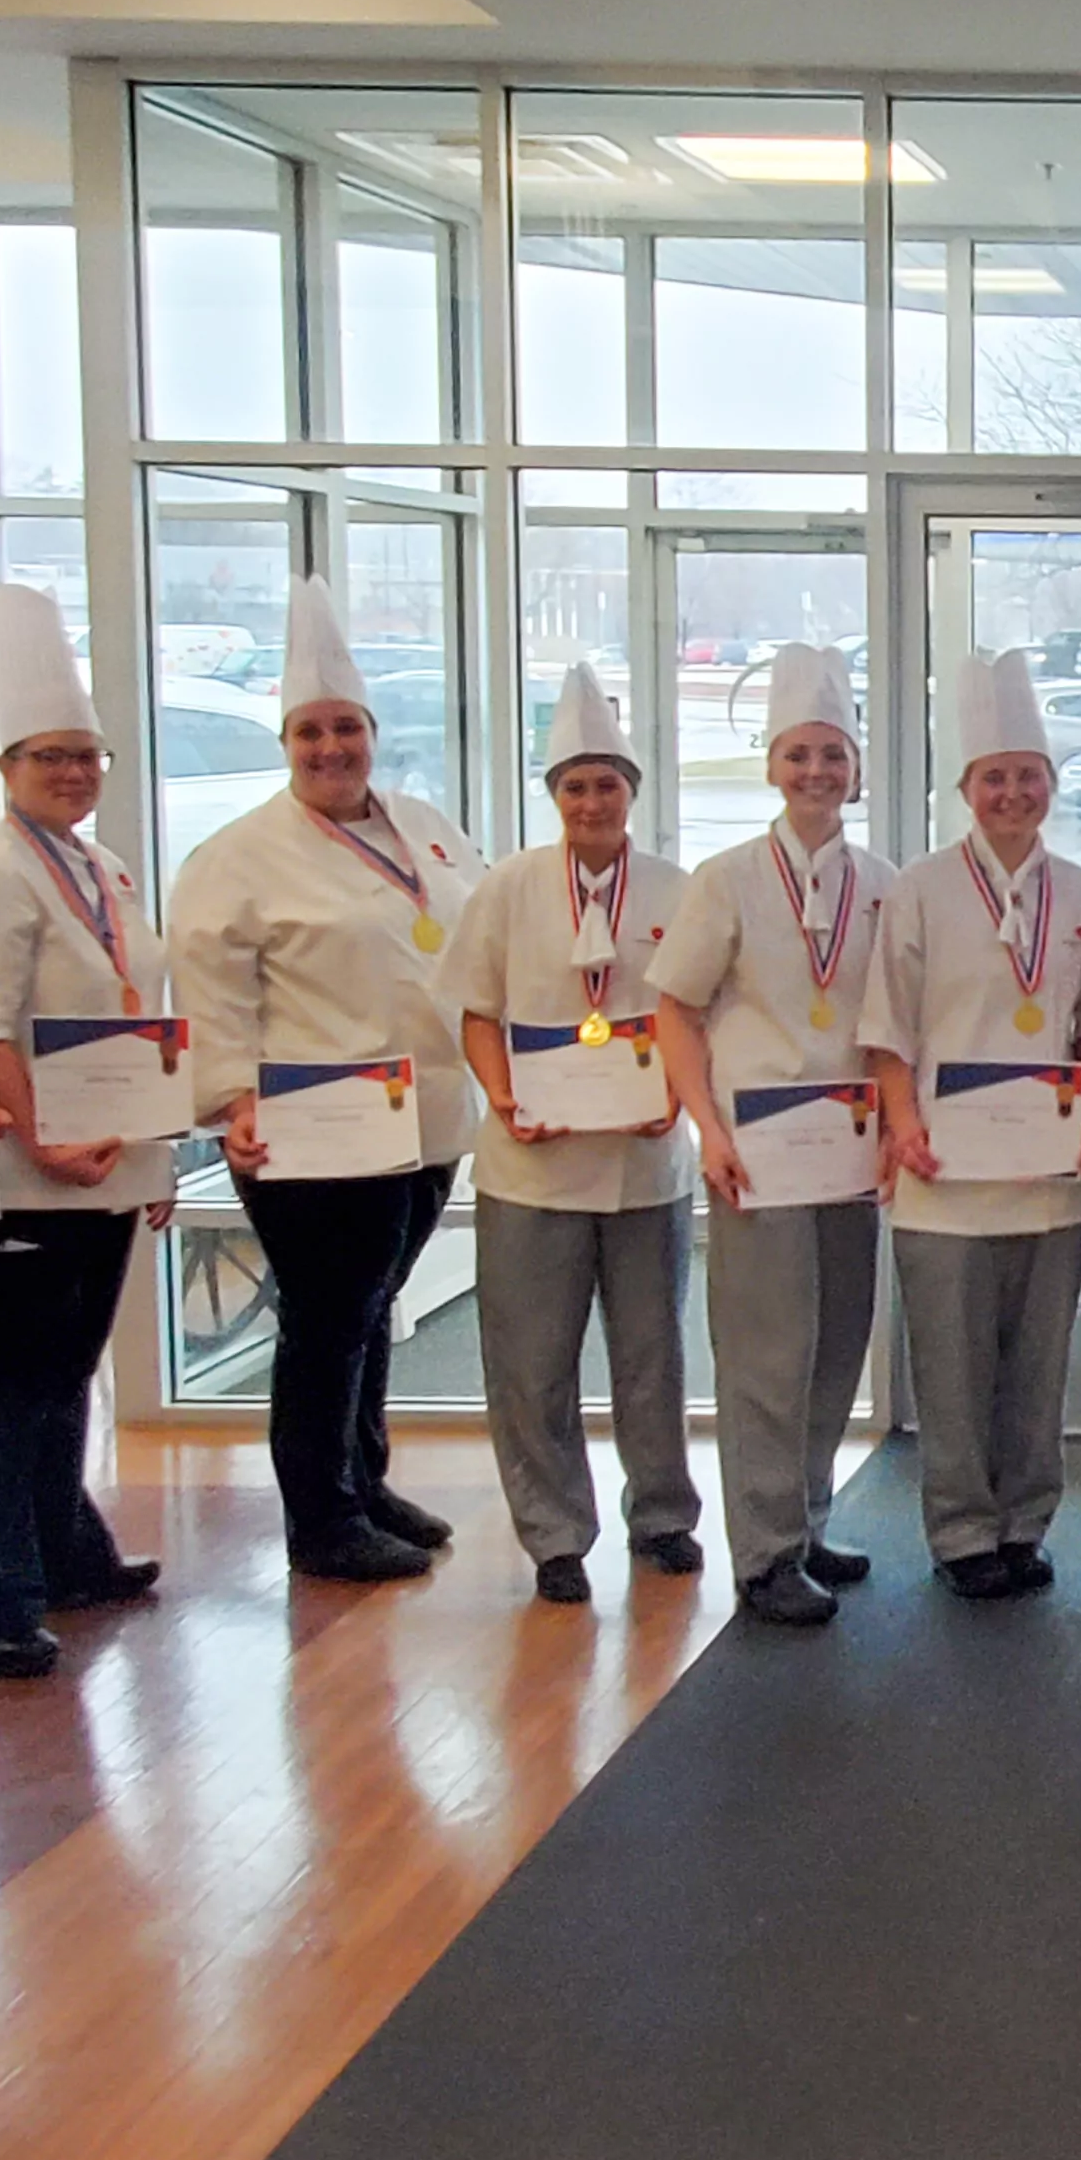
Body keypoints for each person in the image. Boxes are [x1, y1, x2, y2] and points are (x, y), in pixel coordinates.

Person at [168, 577, 487, 1584]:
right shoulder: (238, 857)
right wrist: (231, 1103)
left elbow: (472, 940)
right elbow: (211, 992)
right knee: (325, 1320)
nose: (330, 749)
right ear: (286, 743)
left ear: (371, 732)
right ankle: (321, 1516)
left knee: (373, 1304)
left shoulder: (426, 824)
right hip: (312, 1129)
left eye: (345, 729)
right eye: (310, 733)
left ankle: (366, 1475)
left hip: (423, 1118)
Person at [0, 584, 168, 1678]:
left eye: (86, 757)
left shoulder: (101, 866)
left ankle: (67, 1555)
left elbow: (130, 1016)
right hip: (32, 1174)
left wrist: (147, 1153)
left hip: (104, 1165)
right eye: (49, 757)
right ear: (8, 767)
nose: (72, 775)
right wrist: (34, 1139)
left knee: (68, 1372)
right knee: (8, 1381)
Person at [442, 664, 694, 1608]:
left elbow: (694, 1015)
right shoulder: (506, 889)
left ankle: (663, 1515)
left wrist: (674, 1094)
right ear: (554, 796)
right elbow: (474, 1011)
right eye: (575, 786)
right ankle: (553, 1535)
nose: (593, 802)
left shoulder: (676, 888)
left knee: (651, 1353)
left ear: (633, 793)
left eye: (609, 784)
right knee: (531, 1361)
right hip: (532, 1167)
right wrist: (503, 1098)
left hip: (643, 1162)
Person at [653, 645, 884, 1626]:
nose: (817, 774)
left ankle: (811, 1520)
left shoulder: (881, 882)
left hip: (849, 1148)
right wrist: (706, 1127)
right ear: (771, 767)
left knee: (836, 1346)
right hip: (756, 1148)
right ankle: (763, 1550)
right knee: (765, 1352)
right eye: (799, 756)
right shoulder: (728, 878)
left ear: (857, 770)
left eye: (833, 755)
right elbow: (672, 1009)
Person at [870, 649, 1081, 1599]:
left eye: (1029, 777)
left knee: (1037, 1362)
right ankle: (964, 1530)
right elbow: (885, 1026)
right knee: (955, 1366)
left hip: (1050, 1176)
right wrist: (899, 1126)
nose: (1014, 793)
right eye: (995, 778)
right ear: (966, 787)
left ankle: (1025, 1519)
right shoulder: (919, 889)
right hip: (945, 1173)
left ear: (1051, 785)